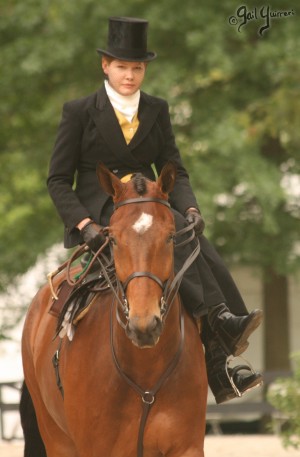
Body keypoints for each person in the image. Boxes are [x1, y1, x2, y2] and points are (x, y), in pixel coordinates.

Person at [47, 16, 263, 404]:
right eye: (121, 67)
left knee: (185, 231)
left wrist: (192, 207)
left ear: (144, 69)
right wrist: (83, 223)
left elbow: (174, 168)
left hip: (148, 200)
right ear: (105, 66)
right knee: (163, 229)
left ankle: (219, 347)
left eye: (137, 68)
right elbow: (57, 181)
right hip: (103, 206)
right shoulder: (79, 111)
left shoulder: (157, 108)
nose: (129, 76)